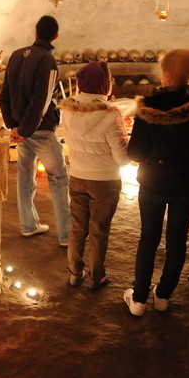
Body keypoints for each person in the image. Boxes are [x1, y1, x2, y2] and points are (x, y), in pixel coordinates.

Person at [123, 49, 189, 317]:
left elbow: (136, 154)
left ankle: (139, 300)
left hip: (153, 182)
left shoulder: (149, 106)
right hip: (188, 184)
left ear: (166, 73)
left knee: (148, 238)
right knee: (177, 240)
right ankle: (163, 296)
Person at [0, 15, 70, 247]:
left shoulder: (17, 55)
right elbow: (43, 100)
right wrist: (25, 129)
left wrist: (14, 126)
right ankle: (66, 235)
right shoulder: (47, 60)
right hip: (40, 131)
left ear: (36, 33)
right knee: (58, 178)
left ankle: (28, 225)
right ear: (56, 37)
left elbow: (4, 96)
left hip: (22, 129)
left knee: (25, 175)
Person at [59, 61, 129, 290]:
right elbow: (123, 159)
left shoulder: (67, 110)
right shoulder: (110, 116)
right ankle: (95, 276)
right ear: (104, 85)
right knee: (99, 231)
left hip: (77, 176)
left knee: (78, 227)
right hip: (104, 181)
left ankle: (73, 273)